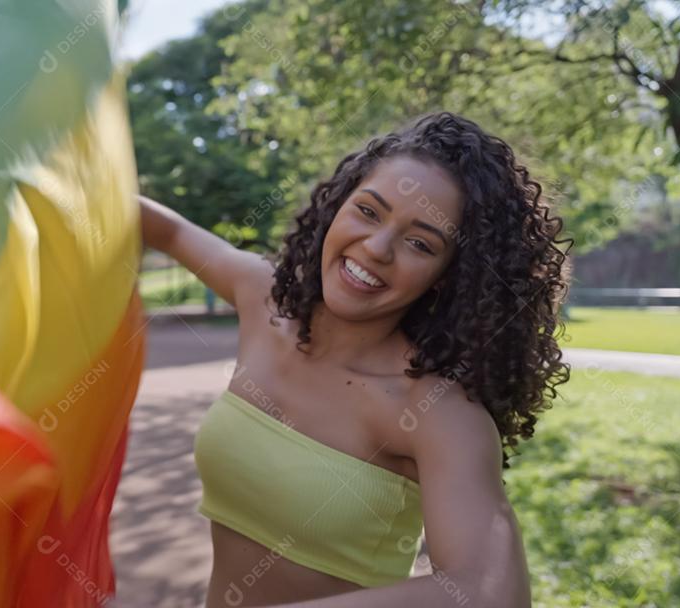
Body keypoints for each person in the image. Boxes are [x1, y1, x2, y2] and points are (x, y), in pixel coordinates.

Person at [138, 112, 570, 607]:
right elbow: (165, 231)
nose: (377, 248)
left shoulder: (437, 412)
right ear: (337, 204)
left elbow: (490, 592)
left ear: (449, 275)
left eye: (419, 243)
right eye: (368, 211)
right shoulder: (263, 299)